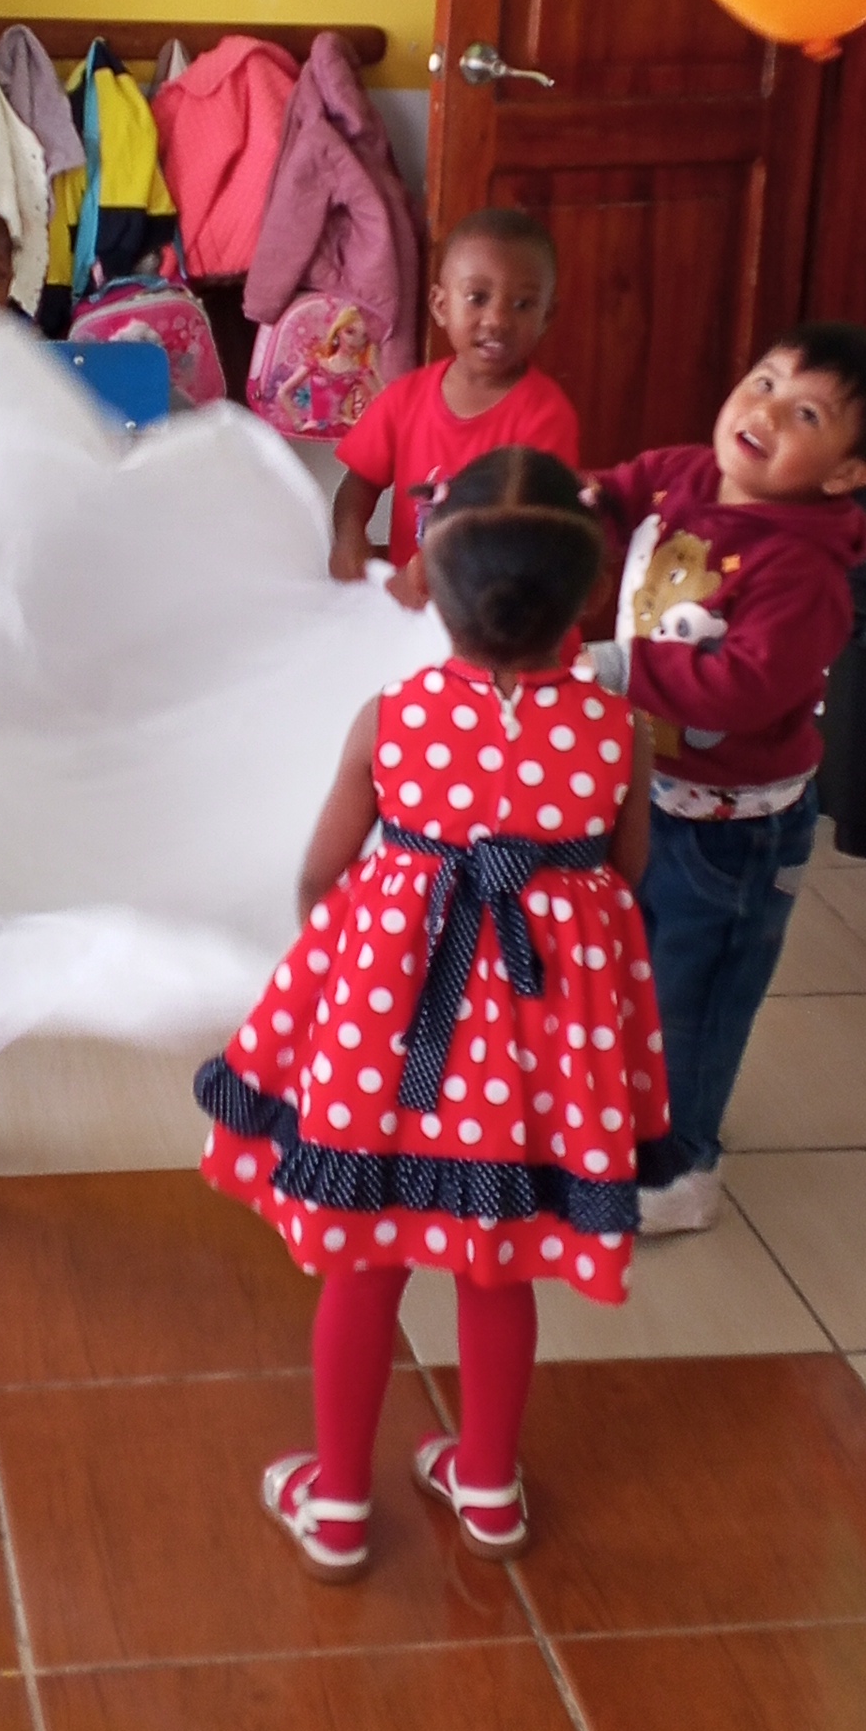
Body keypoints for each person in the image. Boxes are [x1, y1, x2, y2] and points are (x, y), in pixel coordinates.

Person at [196, 451, 677, 1580]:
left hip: (389, 1037)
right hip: (536, 1053)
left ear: (434, 593)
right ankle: (490, 1487)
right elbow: (625, 877)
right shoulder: (620, 733)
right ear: (584, 596)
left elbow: (321, 873)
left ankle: (338, 1502)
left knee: (364, 1267)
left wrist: (353, 959)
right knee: (497, 1268)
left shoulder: (393, 719)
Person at [585, 322, 866, 1234]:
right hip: (644, 792)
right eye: (765, 382)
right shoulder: (681, 475)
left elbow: (745, 685)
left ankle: (679, 1172)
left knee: (693, 997)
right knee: (629, 972)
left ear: (846, 474)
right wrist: (565, 502)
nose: (766, 411)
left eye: (806, 413)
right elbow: (613, 492)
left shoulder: (803, 571)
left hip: (733, 834)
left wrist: (618, 668)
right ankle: (620, 1123)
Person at [330, 207, 579, 607]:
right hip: (415, 615)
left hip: (500, 616)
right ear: (441, 305)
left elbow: (534, 531)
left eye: (523, 304)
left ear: (547, 315)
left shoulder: (546, 416)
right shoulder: (405, 398)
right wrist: (349, 537)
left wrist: (435, 576)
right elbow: (360, 482)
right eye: (477, 298)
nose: (497, 319)